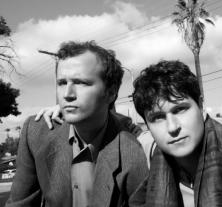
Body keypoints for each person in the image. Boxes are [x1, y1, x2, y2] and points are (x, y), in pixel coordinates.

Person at [6, 41, 148, 207]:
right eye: (62, 83)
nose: (67, 94)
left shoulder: (135, 150)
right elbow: (20, 203)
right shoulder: (36, 132)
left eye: (81, 83)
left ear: (111, 92)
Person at [129, 60, 222, 207]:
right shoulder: (143, 161)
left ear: (200, 106)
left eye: (180, 110)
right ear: (147, 125)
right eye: (157, 118)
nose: (172, 128)